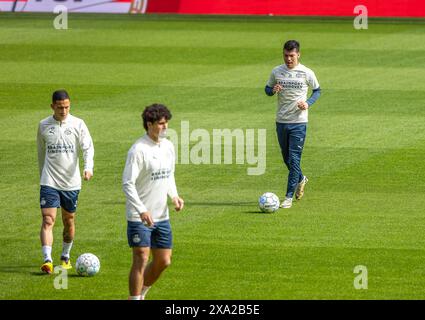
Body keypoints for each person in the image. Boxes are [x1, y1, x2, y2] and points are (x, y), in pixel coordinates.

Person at [123, 103, 184, 300]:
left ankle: (141, 294)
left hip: (161, 215)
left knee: (164, 261)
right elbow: (127, 183)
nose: (165, 127)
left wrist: (174, 195)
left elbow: (169, 175)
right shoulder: (138, 150)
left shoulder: (168, 146)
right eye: (161, 124)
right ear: (149, 124)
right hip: (139, 217)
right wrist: (141, 210)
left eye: (166, 123)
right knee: (141, 257)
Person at [37, 89, 94, 273]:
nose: (64, 111)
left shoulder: (78, 124)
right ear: (52, 106)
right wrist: (42, 178)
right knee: (48, 219)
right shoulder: (44, 125)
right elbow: (41, 153)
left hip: (71, 182)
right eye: (60, 107)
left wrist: (88, 167)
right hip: (49, 180)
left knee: (68, 220)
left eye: (67, 107)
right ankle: (47, 260)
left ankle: (65, 256)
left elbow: (87, 147)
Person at [265, 40, 321, 209]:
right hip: (281, 121)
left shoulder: (306, 72)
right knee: (286, 158)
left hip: (299, 122)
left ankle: (288, 197)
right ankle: (302, 178)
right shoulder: (276, 71)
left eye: (291, 56)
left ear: (298, 55)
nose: (288, 59)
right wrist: (273, 90)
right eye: (286, 55)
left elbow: (317, 90)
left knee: (294, 159)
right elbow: (267, 90)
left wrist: (308, 103)